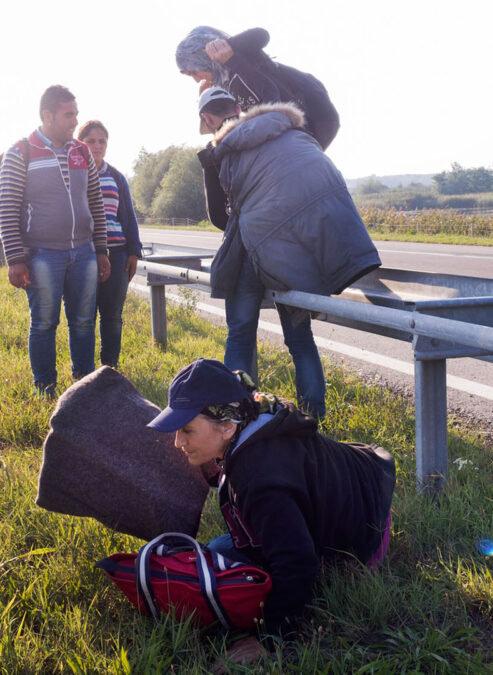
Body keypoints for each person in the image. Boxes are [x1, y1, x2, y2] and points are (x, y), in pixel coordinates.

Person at [147, 358, 395, 666]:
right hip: (361, 477)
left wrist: (270, 638)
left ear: (227, 427)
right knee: (218, 553)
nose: (177, 442)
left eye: (187, 430)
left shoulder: (261, 481)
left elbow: (297, 561)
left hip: (368, 522)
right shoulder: (252, 415)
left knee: (221, 571)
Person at [194, 87, 381, 418]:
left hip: (256, 248)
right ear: (239, 107)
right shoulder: (290, 131)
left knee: (240, 335)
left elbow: (221, 217)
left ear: (208, 119)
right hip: (301, 247)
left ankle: (237, 418)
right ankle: (313, 419)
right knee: (300, 338)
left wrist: (209, 165)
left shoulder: (225, 149)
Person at [0, 85, 111, 397]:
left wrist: (101, 250)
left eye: (76, 114)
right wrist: (15, 259)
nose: (75, 121)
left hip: (84, 251)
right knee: (45, 323)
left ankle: (84, 389)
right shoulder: (20, 152)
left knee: (84, 322)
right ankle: (45, 389)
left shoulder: (81, 152)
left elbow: (95, 202)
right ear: (47, 116)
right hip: (42, 254)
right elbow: (8, 209)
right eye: (68, 115)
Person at [176, 26, 340, 150]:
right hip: (297, 123)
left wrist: (229, 47)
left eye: (193, 72)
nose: (196, 79)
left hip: (316, 111)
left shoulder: (235, 55)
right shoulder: (223, 79)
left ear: (203, 57)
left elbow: (262, 35)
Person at [77, 120, 143, 368]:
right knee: (83, 317)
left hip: (117, 253)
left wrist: (134, 252)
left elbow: (128, 217)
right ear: (80, 143)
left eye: (101, 141)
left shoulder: (116, 177)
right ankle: (83, 372)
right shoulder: (72, 174)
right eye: (90, 141)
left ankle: (109, 368)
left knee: (112, 315)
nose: (97, 146)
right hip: (82, 254)